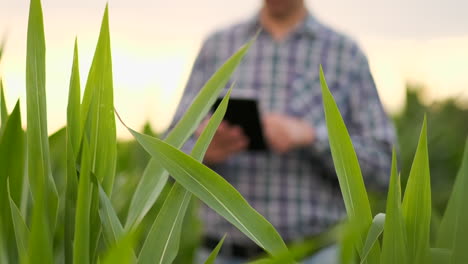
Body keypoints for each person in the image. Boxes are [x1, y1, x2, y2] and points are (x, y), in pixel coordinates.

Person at [171, 0, 396, 263]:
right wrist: (203, 152)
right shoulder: (218, 47)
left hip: (317, 254)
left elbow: (385, 166)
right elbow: (166, 157)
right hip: (224, 254)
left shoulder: (345, 53)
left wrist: (313, 137)